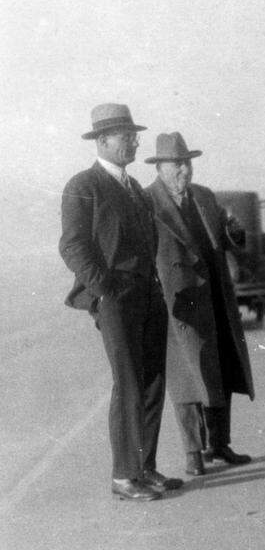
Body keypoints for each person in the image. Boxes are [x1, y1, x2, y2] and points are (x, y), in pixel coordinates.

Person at [59, 103, 181, 501]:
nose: (133, 142)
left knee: (152, 383)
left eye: (134, 135)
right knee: (128, 382)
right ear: (102, 140)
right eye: (126, 136)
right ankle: (124, 476)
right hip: (116, 298)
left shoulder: (134, 189)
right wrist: (104, 290)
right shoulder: (84, 185)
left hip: (148, 295)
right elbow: (73, 245)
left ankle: (145, 467)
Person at [146, 132, 255, 476]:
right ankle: (193, 453)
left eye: (187, 163)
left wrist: (235, 232)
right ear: (160, 167)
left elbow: (226, 240)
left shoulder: (205, 197)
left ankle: (219, 445)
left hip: (216, 298)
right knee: (187, 378)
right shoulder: (147, 203)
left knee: (221, 369)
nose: (184, 170)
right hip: (178, 301)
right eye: (176, 164)